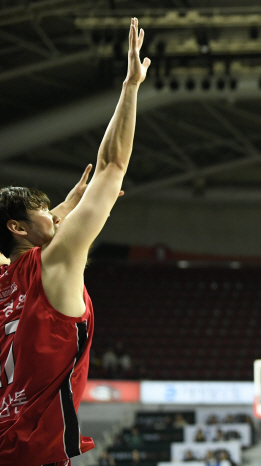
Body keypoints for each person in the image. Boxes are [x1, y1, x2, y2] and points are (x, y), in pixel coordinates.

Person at [0, 17, 150, 465]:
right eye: (44, 211)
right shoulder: (56, 262)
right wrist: (130, 86)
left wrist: (62, 208)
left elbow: (37, 229)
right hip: (32, 456)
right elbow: (111, 165)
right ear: (17, 228)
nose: (56, 215)